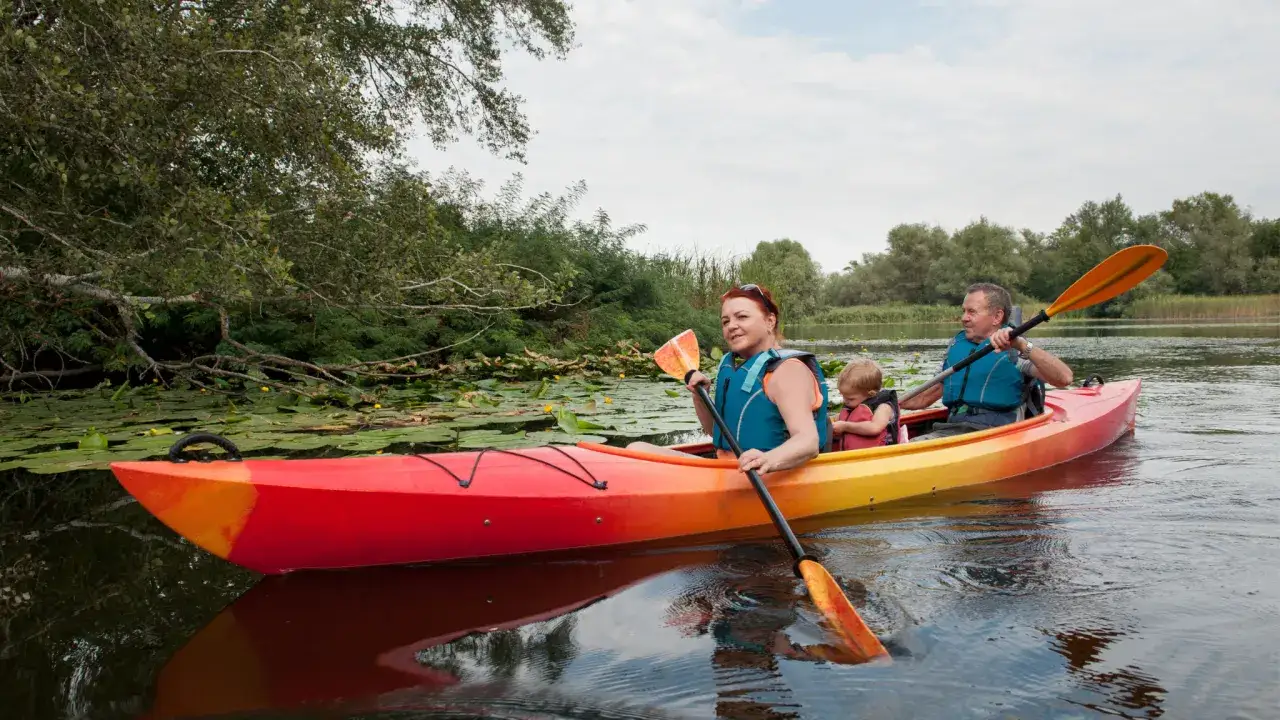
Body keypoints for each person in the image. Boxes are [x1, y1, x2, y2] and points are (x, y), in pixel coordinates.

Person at [628, 283, 830, 474]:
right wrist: (700, 396)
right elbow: (715, 431)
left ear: (770, 321)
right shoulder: (732, 367)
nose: (731, 326)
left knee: (637, 452)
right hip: (727, 470)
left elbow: (808, 442)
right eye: (725, 321)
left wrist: (767, 460)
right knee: (636, 449)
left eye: (742, 317)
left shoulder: (787, 370)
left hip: (764, 475)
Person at [902, 282, 1073, 442]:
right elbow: (926, 396)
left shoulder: (1015, 351)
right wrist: (887, 403)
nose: (964, 318)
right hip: (953, 428)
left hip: (994, 434)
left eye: (972, 312)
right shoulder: (957, 346)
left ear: (997, 316)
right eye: (964, 311)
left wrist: (1021, 344)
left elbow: (1064, 378)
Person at [829, 358, 899, 451]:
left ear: (871, 394)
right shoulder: (854, 404)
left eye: (850, 398)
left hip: (879, 457)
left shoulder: (883, 407)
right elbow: (842, 418)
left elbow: (875, 428)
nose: (845, 401)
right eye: (843, 396)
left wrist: (845, 426)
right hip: (852, 456)